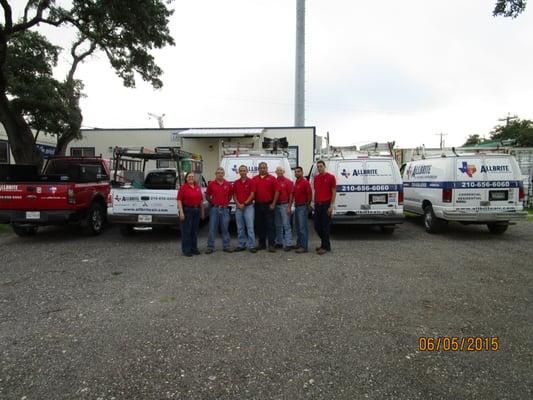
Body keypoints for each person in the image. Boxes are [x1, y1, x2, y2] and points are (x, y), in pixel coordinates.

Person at [205, 167, 233, 254]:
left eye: (221, 172)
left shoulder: (228, 184)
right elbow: (207, 195)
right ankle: (210, 247)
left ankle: (226, 246)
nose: (220, 174)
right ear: (215, 174)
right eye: (218, 173)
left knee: (225, 228)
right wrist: (212, 203)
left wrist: (226, 202)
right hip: (214, 209)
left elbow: (230, 195)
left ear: (223, 174)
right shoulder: (211, 184)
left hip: (224, 209)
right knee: (212, 228)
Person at [177, 172, 205, 257]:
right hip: (187, 210)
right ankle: (186, 250)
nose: (191, 178)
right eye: (189, 176)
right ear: (186, 178)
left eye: (192, 176)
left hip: (196, 211)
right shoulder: (183, 188)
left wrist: (202, 212)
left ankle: (194, 248)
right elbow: (179, 200)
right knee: (186, 231)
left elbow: (201, 201)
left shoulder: (197, 187)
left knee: (194, 231)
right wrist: (181, 212)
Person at [252, 162, 277, 252]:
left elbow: (277, 192)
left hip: (268, 205)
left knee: (270, 225)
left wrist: (273, 203)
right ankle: (261, 244)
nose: (263, 169)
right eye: (261, 168)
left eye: (264, 168)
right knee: (260, 225)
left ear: (267, 168)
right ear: (258, 169)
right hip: (258, 205)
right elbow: (252, 193)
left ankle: (271, 244)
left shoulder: (272, 178)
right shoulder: (254, 179)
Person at [313, 160, 336, 255]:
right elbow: (316, 191)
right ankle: (325, 244)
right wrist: (314, 204)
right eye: (318, 166)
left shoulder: (331, 177)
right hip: (318, 204)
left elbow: (334, 192)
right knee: (317, 226)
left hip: (326, 204)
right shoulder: (316, 178)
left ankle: (325, 246)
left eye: (321, 166)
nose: (319, 168)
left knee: (325, 226)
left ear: (324, 166)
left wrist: (331, 206)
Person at [233, 165, 257, 253]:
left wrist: (244, 203)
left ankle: (252, 245)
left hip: (249, 207)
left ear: (247, 171)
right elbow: (234, 195)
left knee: (250, 227)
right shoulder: (236, 182)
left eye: (244, 170)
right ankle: (241, 245)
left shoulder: (251, 182)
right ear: (239, 172)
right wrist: (238, 204)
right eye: (241, 170)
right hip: (239, 207)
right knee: (240, 227)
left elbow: (252, 194)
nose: (242, 172)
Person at [292, 166, 312, 253]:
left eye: (298, 171)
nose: (296, 173)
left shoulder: (305, 182)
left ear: (302, 172)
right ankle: (299, 243)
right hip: (297, 207)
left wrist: (307, 204)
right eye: (295, 172)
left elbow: (309, 194)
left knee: (303, 227)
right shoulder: (297, 182)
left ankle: (304, 247)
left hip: (302, 207)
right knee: (298, 227)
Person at [274, 166, 294, 251]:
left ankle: (289, 243)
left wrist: (289, 207)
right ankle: (279, 242)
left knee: (286, 225)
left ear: (283, 171)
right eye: (278, 170)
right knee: (278, 225)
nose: (279, 172)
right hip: (276, 206)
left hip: (284, 205)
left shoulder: (288, 182)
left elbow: (291, 195)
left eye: (281, 170)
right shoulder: (274, 181)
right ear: (276, 172)